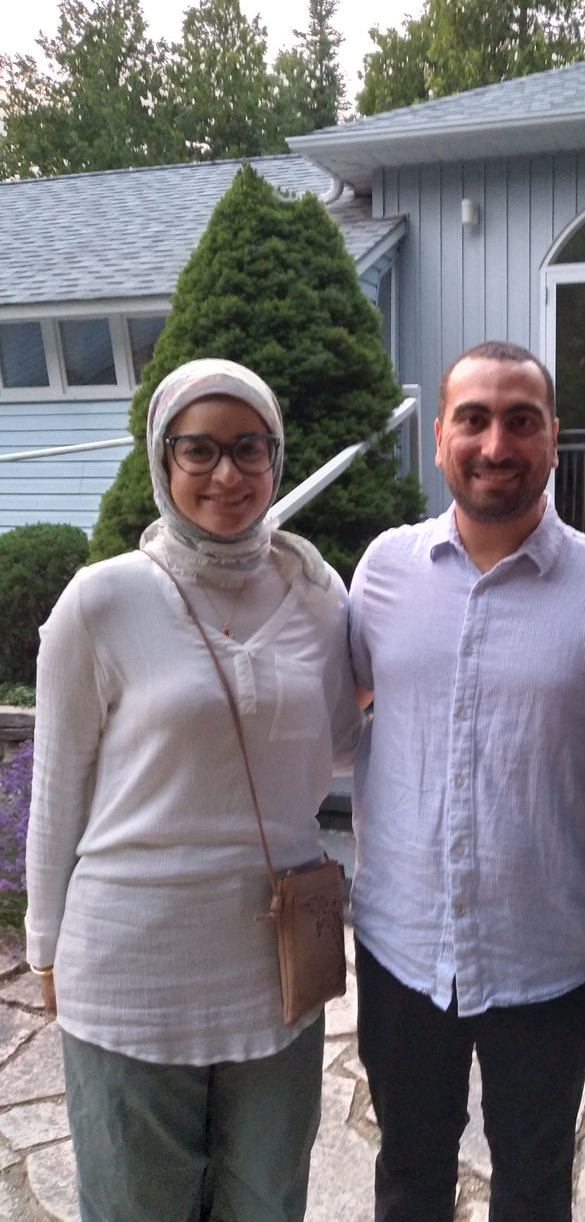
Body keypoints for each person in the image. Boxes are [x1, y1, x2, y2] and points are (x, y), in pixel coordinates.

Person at [25, 358, 363, 1222]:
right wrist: (44, 945)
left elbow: (341, 746)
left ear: (277, 458)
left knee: (267, 1199)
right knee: (140, 1204)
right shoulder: (102, 602)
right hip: (132, 964)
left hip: (275, 970)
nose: (226, 473)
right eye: (199, 450)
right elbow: (57, 786)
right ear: (162, 461)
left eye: (249, 448)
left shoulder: (320, 599)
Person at [348, 341, 585, 1222]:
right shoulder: (382, 572)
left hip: (547, 962)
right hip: (400, 950)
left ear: (554, 439)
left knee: (533, 1189)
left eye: (521, 421)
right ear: (439, 439)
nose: (497, 443)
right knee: (409, 1175)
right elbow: (333, 706)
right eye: (474, 419)